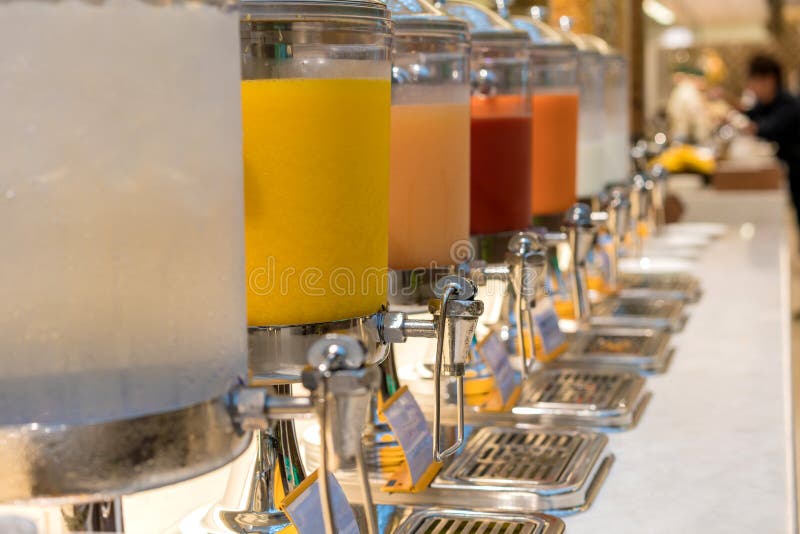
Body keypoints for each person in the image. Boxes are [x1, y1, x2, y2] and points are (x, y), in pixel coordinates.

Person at [744, 54, 800, 227]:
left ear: (769, 80)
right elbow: (751, 114)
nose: (751, 88)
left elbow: (766, 128)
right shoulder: (770, 102)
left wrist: (751, 127)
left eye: (754, 82)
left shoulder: (789, 104)